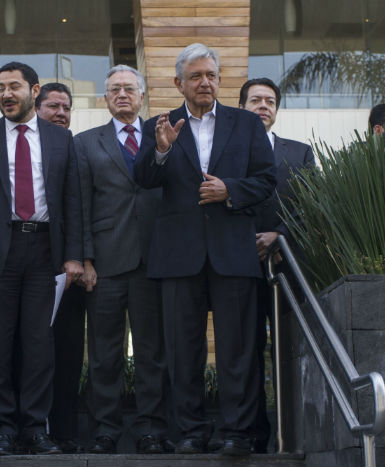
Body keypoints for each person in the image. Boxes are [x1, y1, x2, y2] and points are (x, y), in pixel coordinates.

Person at [134, 43, 277, 457]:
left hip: (233, 251)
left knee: (238, 350)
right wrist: (161, 150)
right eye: (196, 76)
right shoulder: (159, 124)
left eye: (211, 75)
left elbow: (266, 179)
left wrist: (230, 190)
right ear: (179, 82)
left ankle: (238, 431)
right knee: (183, 351)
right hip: (178, 255)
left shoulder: (247, 124)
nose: (205, 82)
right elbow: (142, 178)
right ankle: (191, 432)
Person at [0, 62, 83, 455]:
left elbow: (72, 202)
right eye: (0, 88)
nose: (6, 94)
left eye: (14, 87)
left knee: (38, 345)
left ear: (34, 90)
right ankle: (2, 427)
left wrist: (74, 256)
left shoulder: (62, 140)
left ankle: (34, 427)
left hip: (45, 250)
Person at [76, 65, 168, 454]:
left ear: (142, 95)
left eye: (129, 88)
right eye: (114, 89)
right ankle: (106, 430)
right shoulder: (84, 143)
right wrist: (84, 259)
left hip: (155, 261)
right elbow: (78, 206)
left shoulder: (164, 136)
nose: (122, 95)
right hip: (106, 264)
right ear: (105, 98)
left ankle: (152, 429)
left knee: (152, 352)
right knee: (104, 355)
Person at [238, 78, 315, 452]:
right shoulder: (225, 152)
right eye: (255, 100)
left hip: (287, 267)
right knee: (245, 352)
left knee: (288, 349)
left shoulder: (299, 153)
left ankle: (295, 432)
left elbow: (311, 205)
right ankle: (253, 434)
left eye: (270, 101)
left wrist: (280, 235)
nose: (263, 106)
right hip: (239, 264)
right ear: (241, 107)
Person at [34, 82, 84, 453]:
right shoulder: (26, 147)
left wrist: (79, 259)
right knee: (33, 351)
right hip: (30, 266)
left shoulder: (74, 147)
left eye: (66, 108)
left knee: (68, 353)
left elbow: (81, 211)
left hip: (71, 270)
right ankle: (31, 427)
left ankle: (64, 431)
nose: (61, 113)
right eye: (53, 106)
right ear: (36, 108)